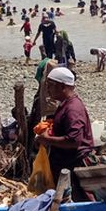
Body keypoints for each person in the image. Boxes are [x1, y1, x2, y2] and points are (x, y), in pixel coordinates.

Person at [36, 68, 94, 201]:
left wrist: (47, 140)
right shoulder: (66, 104)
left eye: (51, 85)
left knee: (79, 199)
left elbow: (74, 141)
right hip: (65, 163)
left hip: (74, 164)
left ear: (63, 86)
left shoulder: (73, 109)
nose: (48, 89)